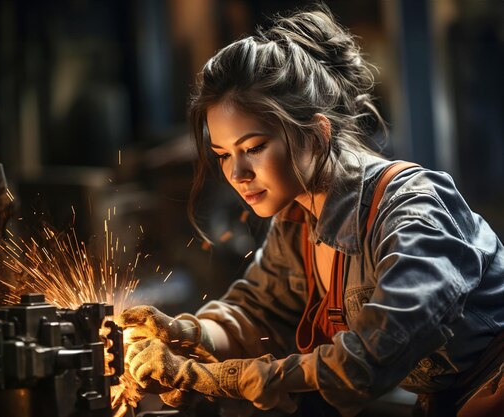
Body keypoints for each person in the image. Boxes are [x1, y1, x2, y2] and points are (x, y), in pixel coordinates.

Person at [119, 5, 504, 417]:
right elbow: (257, 312)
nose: (237, 173)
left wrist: (216, 377)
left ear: (318, 133)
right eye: (223, 155)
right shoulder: (298, 219)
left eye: (252, 149)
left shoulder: (412, 208)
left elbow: (371, 357)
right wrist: (183, 334)